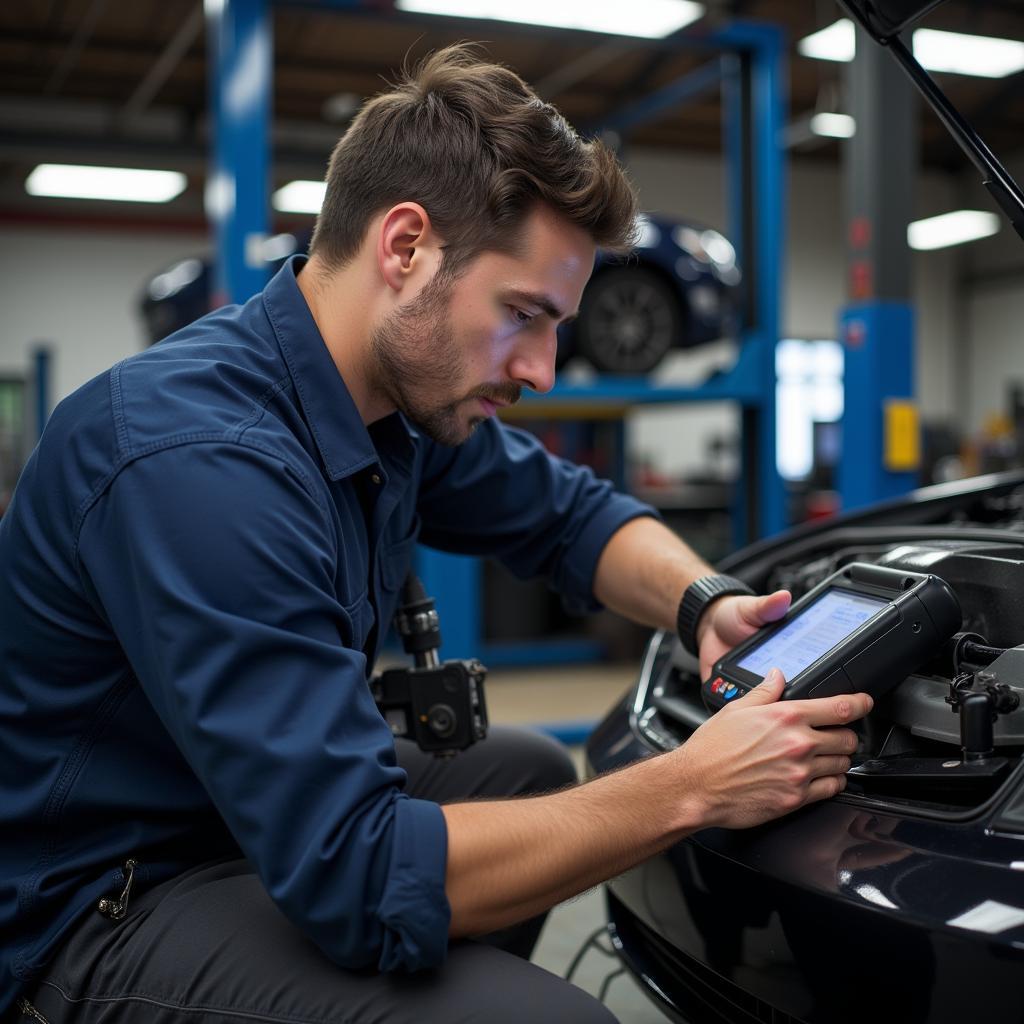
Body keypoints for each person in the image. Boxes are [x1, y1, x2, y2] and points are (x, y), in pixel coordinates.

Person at [0, 45, 871, 1023]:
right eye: (523, 315)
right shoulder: (200, 462)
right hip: (98, 902)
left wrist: (700, 600)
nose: (543, 369)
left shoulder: (387, 398)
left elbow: (571, 518)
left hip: (231, 815)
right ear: (405, 247)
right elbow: (357, 872)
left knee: (528, 770)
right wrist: (693, 787)